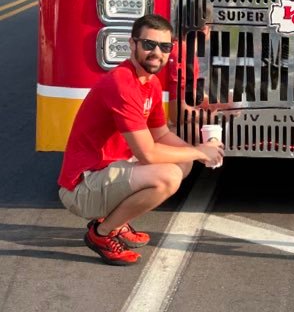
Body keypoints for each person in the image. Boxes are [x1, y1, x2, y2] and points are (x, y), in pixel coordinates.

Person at [57, 14, 224, 266]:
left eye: (165, 47)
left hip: (108, 171)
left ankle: (117, 221)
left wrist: (198, 152)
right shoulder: (121, 84)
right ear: (132, 44)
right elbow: (148, 153)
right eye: (149, 44)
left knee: (183, 165)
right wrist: (200, 152)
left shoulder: (151, 83)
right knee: (168, 176)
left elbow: (161, 134)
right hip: (82, 186)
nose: (157, 52)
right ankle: (101, 234)